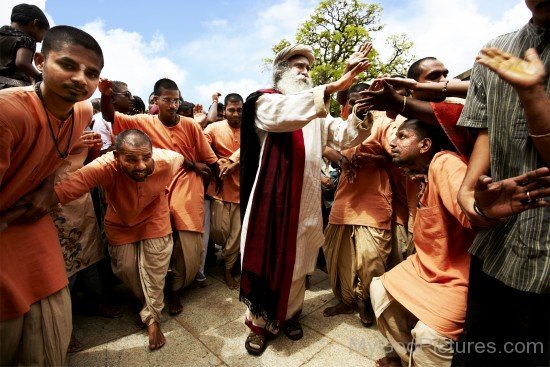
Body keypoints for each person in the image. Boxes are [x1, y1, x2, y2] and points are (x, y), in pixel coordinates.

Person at [239, 43, 372, 355]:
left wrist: (360, 111)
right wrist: (337, 84)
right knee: (268, 258)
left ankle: (288, 316)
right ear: (281, 71)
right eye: (298, 66)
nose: (305, 72)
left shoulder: (316, 110)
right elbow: (283, 117)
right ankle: (258, 324)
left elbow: (345, 135)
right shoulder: (266, 101)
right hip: (271, 203)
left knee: (301, 258)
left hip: (308, 197)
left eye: (308, 68)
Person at [0, 25, 103, 366]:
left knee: (52, 312)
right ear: (41, 62)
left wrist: (45, 189)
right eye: (69, 65)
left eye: (91, 73)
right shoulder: (9, 113)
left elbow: (57, 153)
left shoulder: (83, 112)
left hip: (31, 223)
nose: (80, 79)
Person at [453, 2, 550, 365]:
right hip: (500, 246)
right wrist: (470, 194)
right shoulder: (498, 49)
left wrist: (533, 97)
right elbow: (487, 129)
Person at [54, 130, 185, 351]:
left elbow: (181, 159)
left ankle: (153, 319)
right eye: (131, 159)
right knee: (125, 269)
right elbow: (68, 187)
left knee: (155, 269)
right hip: (119, 222)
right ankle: (146, 303)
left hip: (155, 218)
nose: (141, 166)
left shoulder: (168, 160)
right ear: (116, 156)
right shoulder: (105, 166)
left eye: (146, 157)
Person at [99, 77, 220, 316]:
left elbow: (209, 160)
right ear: (156, 100)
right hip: (156, 185)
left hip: (186, 182)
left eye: (176, 100)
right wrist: (104, 94)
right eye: (167, 100)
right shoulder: (143, 121)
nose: (173, 105)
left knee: (185, 237)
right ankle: (152, 291)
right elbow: (110, 116)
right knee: (160, 239)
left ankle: (175, 289)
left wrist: (216, 182)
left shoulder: (190, 125)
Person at [370, 119, 476, 367]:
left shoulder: (445, 163)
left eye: (403, 137)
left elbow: (469, 214)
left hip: (457, 276)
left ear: (425, 144)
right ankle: (407, 359)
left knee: (430, 337)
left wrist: (483, 207)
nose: (393, 142)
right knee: (380, 289)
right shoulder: (424, 172)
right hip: (424, 267)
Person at [322, 83, 393, 327]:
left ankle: (365, 301)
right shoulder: (343, 126)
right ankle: (345, 300)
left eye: (364, 100)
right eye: (353, 102)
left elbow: (398, 154)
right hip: (344, 200)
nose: (358, 105)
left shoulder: (383, 123)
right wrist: (342, 160)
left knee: (372, 260)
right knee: (338, 256)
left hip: (374, 200)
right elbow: (324, 146)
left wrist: (376, 158)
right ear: (347, 104)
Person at [203, 93, 243, 289]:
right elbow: (201, 144)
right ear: (224, 110)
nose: (236, 114)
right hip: (219, 189)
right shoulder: (213, 128)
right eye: (231, 110)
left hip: (242, 192)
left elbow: (255, 151)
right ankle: (225, 257)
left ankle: (228, 268)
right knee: (219, 232)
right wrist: (215, 161)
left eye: (239, 110)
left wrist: (234, 162)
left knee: (236, 235)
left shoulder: (252, 130)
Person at [0, 3, 50, 89]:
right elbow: (22, 62)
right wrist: (39, 76)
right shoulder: (27, 39)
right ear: (35, 24)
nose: (42, 40)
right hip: (12, 87)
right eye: (44, 34)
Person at [92, 80, 134, 152]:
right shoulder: (100, 119)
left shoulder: (127, 119)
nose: (132, 99)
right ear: (112, 98)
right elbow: (101, 153)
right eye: (127, 94)